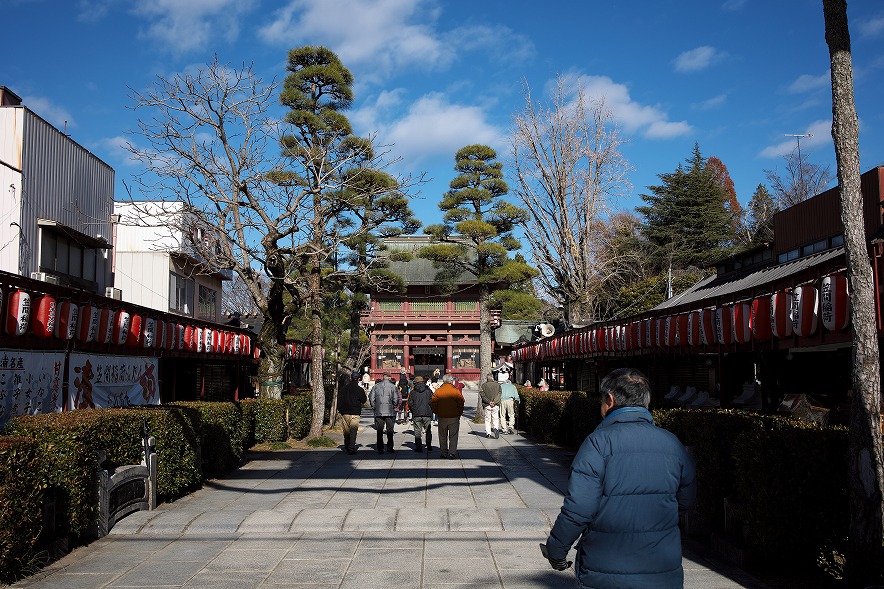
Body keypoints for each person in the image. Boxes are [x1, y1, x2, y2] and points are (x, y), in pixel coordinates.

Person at [541, 368, 696, 588]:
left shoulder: (597, 443)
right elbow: (685, 500)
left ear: (610, 400)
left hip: (605, 567)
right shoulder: (672, 443)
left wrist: (557, 550)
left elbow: (579, 508)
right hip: (661, 566)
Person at [431, 374, 464, 459]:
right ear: (450, 381)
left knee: (442, 435)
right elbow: (461, 402)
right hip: (454, 416)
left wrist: (436, 412)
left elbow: (433, 403)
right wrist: (459, 412)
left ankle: (443, 452)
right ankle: (452, 452)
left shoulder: (438, 391)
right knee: (453, 436)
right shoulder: (455, 391)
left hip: (442, 416)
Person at [369, 372, 399, 454]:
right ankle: (390, 447)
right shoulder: (393, 387)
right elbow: (396, 399)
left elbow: (371, 398)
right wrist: (393, 405)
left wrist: (374, 406)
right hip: (389, 411)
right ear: (389, 378)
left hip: (379, 410)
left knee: (379, 431)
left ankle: (380, 448)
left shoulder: (376, 386)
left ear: (383, 377)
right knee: (390, 430)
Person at [338, 371, 367, 454]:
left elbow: (339, 399)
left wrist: (340, 409)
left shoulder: (344, 389)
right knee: (353, 431)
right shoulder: (360, 390)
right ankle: (352, 447)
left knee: (346, 431)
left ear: (350, 378)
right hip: (355, 412)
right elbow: (364, 400)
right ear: (358, 379)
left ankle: (347, 445)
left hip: (345, 412)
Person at [408, 376, 433, 452]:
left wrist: (413, 410)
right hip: (427, 413)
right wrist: (430, 409)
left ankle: (418, 447)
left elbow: (410, 403)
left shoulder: (413, 392)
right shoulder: (428, 391)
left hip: (416, 413)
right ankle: (428, 445)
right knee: (428, 430)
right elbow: (432, 401)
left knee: (417, 431)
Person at [479, 373, 502, 439]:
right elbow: (499, 394)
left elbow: (483, 395)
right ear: (493, 378)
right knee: (495, 418)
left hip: (487, 405)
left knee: (487, 419)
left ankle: (488, 433)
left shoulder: (483, 385)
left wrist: (489, 402)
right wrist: (494, 402)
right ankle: (496, 428)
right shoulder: (498, 385)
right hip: (496, 404)